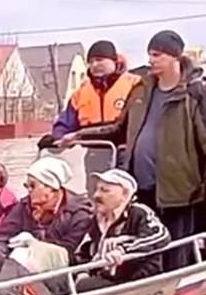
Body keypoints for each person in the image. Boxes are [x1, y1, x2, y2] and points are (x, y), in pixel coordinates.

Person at [115, 29, 206, 271]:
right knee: (143, 257)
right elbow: (118, 129)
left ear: (175, 57)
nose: (150, 60)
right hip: (142, 192)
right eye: (149, 54)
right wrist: (75, 136)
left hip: (181, 194)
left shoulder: (199, 96)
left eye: (157, 54)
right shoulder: (140, 90)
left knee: (176, 260)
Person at [37, 40, 142, 193]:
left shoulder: (134, 85)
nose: (94, 65)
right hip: (95, 154)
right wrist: (57, 138)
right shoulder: (81, 93)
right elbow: (65, 122)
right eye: (91, 61)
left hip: (127, 154)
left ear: (114, 61)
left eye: (99, 60)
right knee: (96, 196)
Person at [74, 169, 170, 292]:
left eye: (105, 190)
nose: (96, 195)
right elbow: (83, 252)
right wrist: (82, 272)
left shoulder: (139, 212)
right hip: (105, 278)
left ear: (124, 195)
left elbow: (161, 236)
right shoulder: (95, 219)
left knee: (83, 287)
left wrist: (123, 250)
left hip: (137, 281)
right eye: (97, 189)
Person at [0, 155, 94, 268]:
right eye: (27, 186)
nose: (29, 190)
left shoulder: (79, 212)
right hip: (21, 264)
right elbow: (3, 236)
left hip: (61, 269)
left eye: (33, 186)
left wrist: (37, 237)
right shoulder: (24, 206)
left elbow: (68, 251)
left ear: (50, 187)